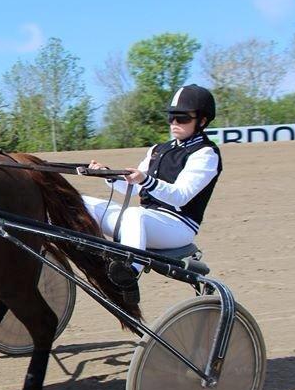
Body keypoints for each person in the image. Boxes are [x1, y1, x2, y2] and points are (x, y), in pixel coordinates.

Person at [82, 84, 222, 305]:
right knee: (79, 202)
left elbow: (181, 196)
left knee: (135, 215)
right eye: (171, 117)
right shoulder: (158, 149)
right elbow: (136, 187)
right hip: (143, 221)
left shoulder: (206, 154)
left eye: (182, 118)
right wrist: (108, 175)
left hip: (177, 227)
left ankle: (128, 275)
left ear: (202, 121)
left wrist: (145, 179)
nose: (174, 123)